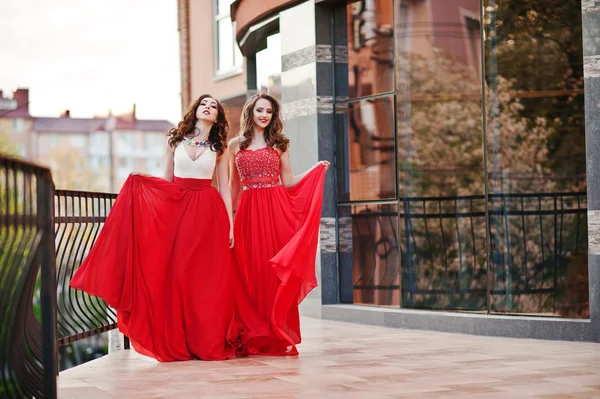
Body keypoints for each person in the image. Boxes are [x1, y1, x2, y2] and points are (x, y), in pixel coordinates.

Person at [70, 95, 271, 361]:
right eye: (204, 104)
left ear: (218, 117)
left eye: (213, 106)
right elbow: (166, 181)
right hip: (179, 210)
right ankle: (181, 340)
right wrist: (144, 180)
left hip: (209, 213)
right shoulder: (175, 141)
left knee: (207, 278)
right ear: (196, 110)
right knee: (179, 274)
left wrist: (230, 226)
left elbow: (223, 189)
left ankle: (207, 338)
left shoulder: (219, 147)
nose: (208, 108)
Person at [229, 93, 330, 356]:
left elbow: (288, 182)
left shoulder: (280, 144)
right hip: (247, 212)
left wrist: (314, 170)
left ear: (274, 116)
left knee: (272, 272)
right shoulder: (234, 145)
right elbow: (232, 187)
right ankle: (255, 332)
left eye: (270, 111)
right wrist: (228, 221)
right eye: (260, 110)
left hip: (274, 209)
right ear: (250, 112)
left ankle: (276, 332)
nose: (264, 115)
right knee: (250, 271)